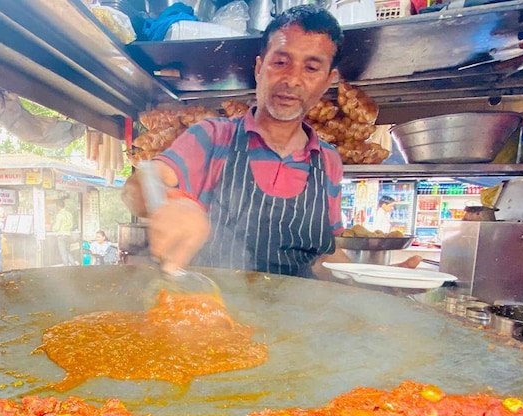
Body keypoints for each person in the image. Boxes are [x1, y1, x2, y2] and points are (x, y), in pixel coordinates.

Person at [122, 6, 419, 278]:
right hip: (213, 319)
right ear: (259, 68)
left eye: (311, 68)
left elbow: (323, 257)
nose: (292, 79)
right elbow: (138, 185)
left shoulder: (327, 160)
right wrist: (169, 203)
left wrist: (374, 283)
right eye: (281, 62)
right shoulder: (214, 136)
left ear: (328, 81)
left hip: (293, 327)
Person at [50, 199, 76, 266]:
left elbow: (57, 227)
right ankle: (74, 266)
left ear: (58, 206)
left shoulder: (59, 215)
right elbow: (72, 225)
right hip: (68, 235)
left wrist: (52, 228)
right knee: (67, 252)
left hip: (61, 236)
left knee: (63, 253)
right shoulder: (69, 214)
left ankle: (66, 268)